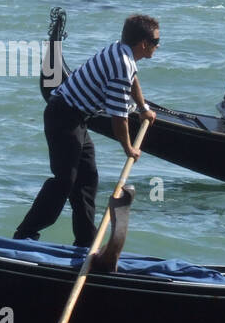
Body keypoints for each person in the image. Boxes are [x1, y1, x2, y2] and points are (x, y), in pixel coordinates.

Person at [14, 15, 160, 247]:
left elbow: (133, 80)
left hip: (76, 119)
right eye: (156, 42)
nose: (157, 46)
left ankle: (85, 241)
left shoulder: (122, 53)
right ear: (143, 44)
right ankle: (25, 234)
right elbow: (118, 117)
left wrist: (143, 109)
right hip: (63, 117)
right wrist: (128, 148)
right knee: (65, 181)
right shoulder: (122, 63)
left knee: (88, 178)